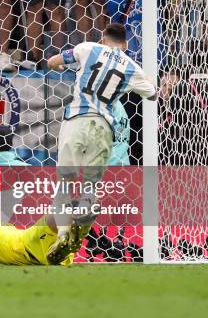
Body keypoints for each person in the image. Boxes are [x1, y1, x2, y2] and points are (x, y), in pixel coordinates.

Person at [46, 23, 157, 263]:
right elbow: (153, 93)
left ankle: (63, 234)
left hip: (76, 119)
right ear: (125, 45)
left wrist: (72, 64)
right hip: (104, 127)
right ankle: (81, 227)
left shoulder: (88, 48)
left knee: (64, 184)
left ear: (102, 39)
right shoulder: (130, 65)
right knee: (89, 188)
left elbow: (52, 61)